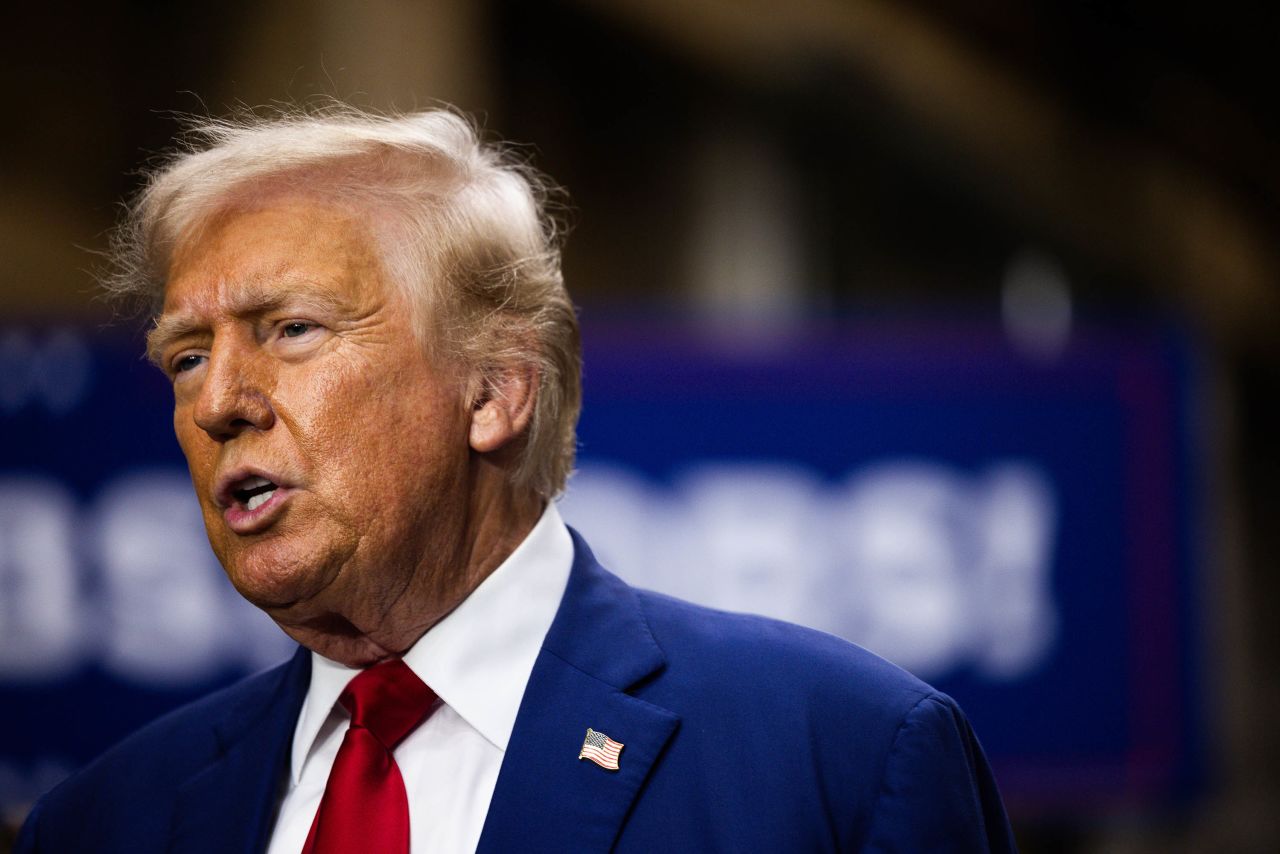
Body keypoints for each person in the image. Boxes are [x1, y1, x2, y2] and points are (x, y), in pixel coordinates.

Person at [15, 106, 1016, 853]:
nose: (217, 400)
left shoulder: (839, 757)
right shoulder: (103, 822)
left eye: (292, 330)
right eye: (186, 354)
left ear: (494, 391)